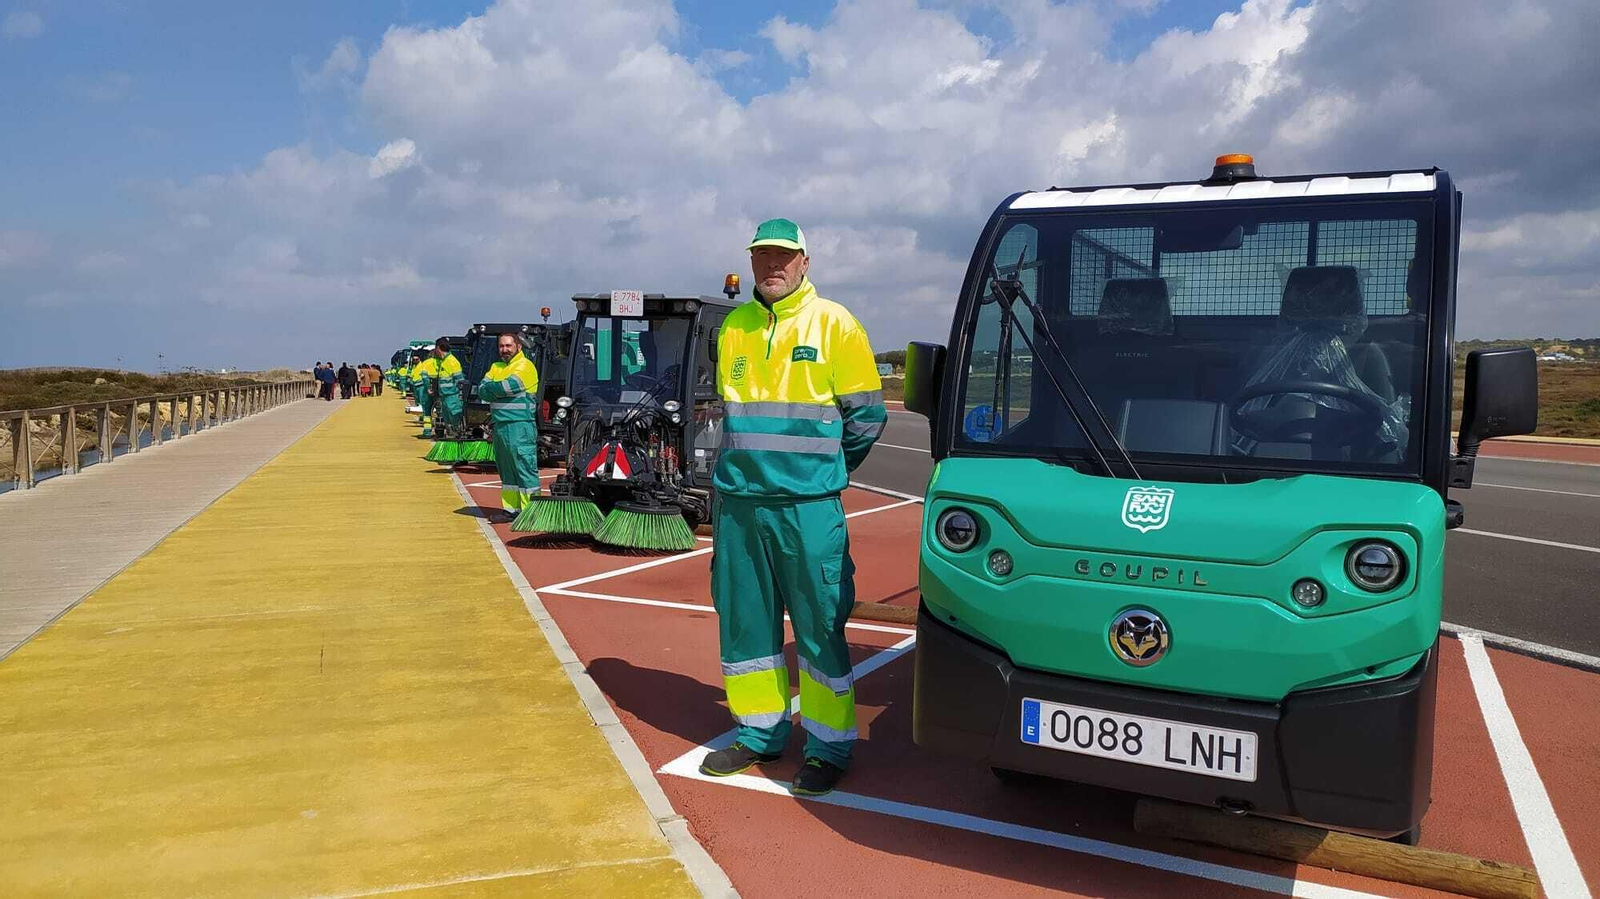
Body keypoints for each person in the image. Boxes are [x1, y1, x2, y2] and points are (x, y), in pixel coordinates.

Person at [698, 218, 887, 797]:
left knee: (819, 625)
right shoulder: (734, 327)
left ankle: (829, 746)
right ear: (751, 263)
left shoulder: (834, 323)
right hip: (741, 506)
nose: (772, 266)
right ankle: (759, 734)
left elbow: (867, 417)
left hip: (806, 506)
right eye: (762, 256)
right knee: (745, 624)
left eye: (783, 256)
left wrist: (821, 473)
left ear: (804, 262)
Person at [475, 332, 541, 519]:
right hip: (501, 426)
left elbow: (508, 386)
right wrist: (494, 389)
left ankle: (531, 513)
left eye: (508, 346)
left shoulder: (526, 366)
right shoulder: (496, 366)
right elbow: (482, 390)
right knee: (507, 470)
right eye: (501, 346)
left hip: (520, 426)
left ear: (518, 347)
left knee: (524, 468)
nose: (504, 350)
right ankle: (511, 510)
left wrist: (493, 388)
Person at [431, 339, 466, 437]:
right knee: (448, 423)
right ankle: (451, 437)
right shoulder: (443, 362)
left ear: (438, 348)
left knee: (455, 420)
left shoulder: (452, 362)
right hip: (445, 397)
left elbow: (460, 381)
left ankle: (457, 437)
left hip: (453, 397)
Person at [410, 348, 438, 436]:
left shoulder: (426, 363)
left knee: (427, 411)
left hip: (427, 389)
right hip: (441, 390)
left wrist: (428, 388)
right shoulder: (442, 362)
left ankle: (427, 431)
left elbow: (424, 377)